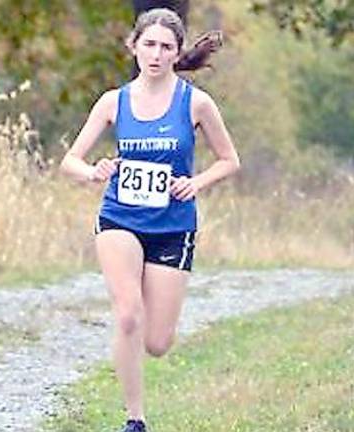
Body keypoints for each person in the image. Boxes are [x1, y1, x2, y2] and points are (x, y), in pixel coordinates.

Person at [60, 8, 240, 432]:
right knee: (127, 315)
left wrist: (196, 183)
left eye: (166, 47)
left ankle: (140, 339)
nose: (156, 54)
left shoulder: (195, 102)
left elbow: (230, 160)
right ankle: (135, 419)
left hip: (173, 227)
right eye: (149, 45)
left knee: (157, 342)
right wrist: (94, 172)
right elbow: (70, 160)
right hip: (119, 217)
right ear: (134, 47)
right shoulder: (113, 101)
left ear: (177, 53)